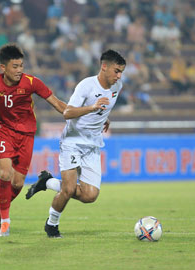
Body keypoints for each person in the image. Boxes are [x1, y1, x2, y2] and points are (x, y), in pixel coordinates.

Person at [25, 49, 126, 238]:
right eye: (116, 71)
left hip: (93, 144)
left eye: (121, 71)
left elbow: (104, 107)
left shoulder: (116, 86)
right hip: (73, 141)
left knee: (90, 196)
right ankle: (51, 224)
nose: (119, 76)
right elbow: (67, 113)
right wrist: (92, 108)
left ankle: (47, 182)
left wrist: (104, 117)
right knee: (69, 189)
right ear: (104, 67)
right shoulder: (86, 86)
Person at [0, 44, 66, 237]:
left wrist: (82, 115)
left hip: (26, 136)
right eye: (15, 66)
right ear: (3, 67)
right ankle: (5, 222)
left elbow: (57, 103)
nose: (20, 70)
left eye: (21, 66)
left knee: (18, 184)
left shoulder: (31, 82)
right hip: (3, 132)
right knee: (4, 174)